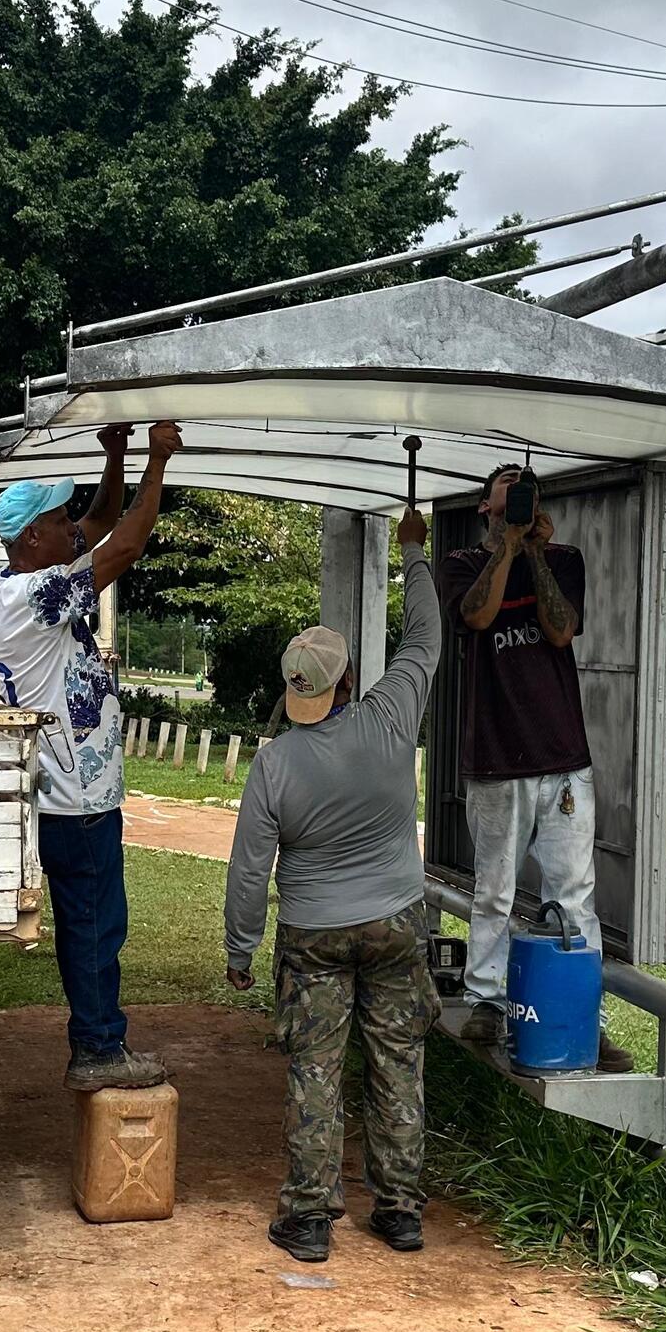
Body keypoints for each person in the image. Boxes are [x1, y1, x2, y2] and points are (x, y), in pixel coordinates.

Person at [223, 506, 441, 1264]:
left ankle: (310, 1218)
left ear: (297, 689)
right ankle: (401, 1210)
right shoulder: (390, 716)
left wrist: (240, 949)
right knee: (397, 1060)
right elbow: (424, 638)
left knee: (316, 1067)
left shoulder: (276, 763)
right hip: (396, 923)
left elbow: (251, 865)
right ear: (348, 679)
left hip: (312, 934)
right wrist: (413, 552)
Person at [0, 419, 182, 1091]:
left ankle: (98, 1040)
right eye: (59, 518)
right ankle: (99, 1048)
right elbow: (124, 542)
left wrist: (119, 456)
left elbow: (100, 520)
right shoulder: (31, 596)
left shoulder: (30, 580)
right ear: (31, 539)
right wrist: (157, 464)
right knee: (96, 927)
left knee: (93, 923)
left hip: (72, 797)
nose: (74, 526)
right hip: (75, 804)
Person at [435, 464, 633, 1073]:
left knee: (574, 892)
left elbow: (561, 627)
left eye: (525, 500)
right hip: (496, 756)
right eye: (507, 502)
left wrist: (537, 554)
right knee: (494, 887)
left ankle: (581, 1016)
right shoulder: (464, 563)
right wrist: (508, 549)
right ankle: (485, 1002)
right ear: (485, 508)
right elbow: (476, 616)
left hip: (562, 757)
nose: (516, 510)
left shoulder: (565, 560)